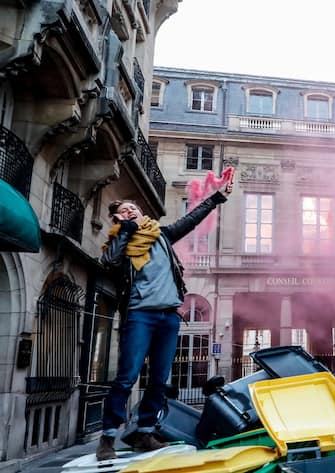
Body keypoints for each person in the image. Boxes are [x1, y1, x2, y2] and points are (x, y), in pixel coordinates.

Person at [96, 175, 234, 460]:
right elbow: (108, 262)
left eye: (132, 208)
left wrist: (217, 197)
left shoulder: (161, 235)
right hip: (140, 314)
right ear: (117, 220)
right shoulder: (120, 244)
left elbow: (191, 219)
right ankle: (107, 438)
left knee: (159, 379)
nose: (130, 211)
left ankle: (145, 433)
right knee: (126, 377)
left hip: (169, 316)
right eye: (123, 211)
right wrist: (125, 231)